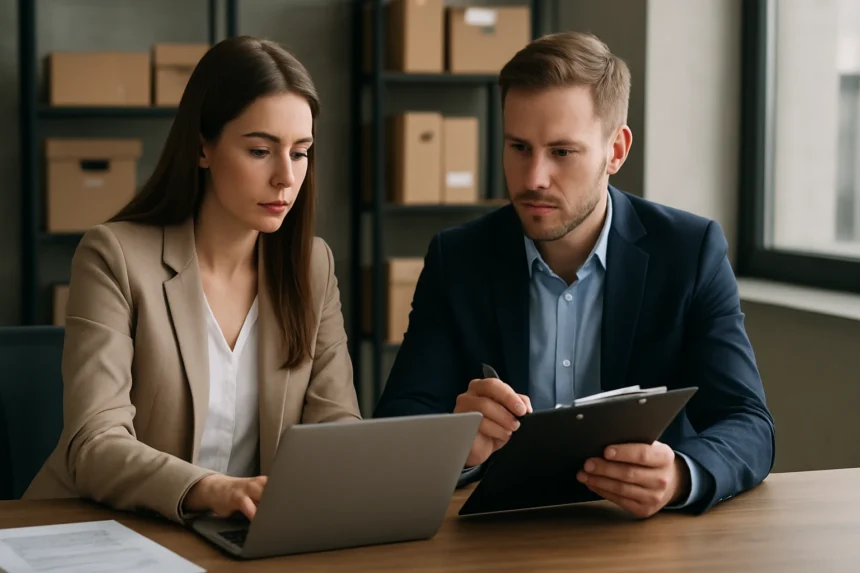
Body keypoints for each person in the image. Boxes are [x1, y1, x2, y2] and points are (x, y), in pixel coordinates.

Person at [374, 31, 775, 518]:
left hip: (644, 539)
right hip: (498, 536)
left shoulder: (689, 252)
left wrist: (680, 475)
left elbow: (748, 422)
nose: (534, 177)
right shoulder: (458, 258)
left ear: (616, 151)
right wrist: (456, 443)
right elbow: (397, 424)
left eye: (562, 152)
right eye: (519, 147)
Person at [24, 36, 361, 523]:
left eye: (301, 152)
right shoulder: (114, 257)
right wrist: (209, 489)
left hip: (240, 536)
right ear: (203, 147)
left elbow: (337, 428)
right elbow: (95, 445)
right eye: (261, 150)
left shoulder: (312, 265)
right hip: (102, 528)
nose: (286, 177)